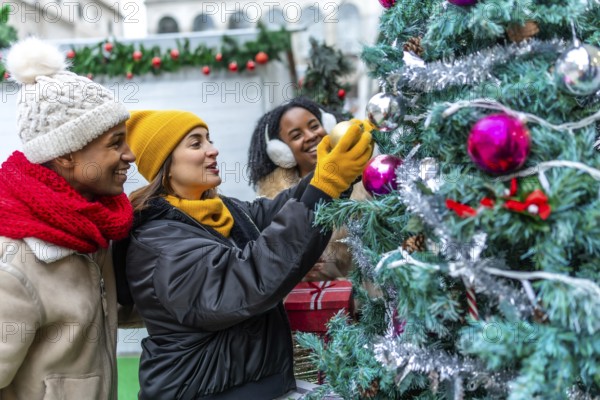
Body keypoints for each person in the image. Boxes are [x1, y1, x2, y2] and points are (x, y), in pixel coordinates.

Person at [120, 109, 372, 399]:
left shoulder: (221, 211)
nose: (213, 150)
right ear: (166, 165)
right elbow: (251, 277)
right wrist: (326, 185)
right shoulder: (159, 244)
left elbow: (277, 213)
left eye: (209, 140)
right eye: (196, 143)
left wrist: (329, 173)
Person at [0, 38, 136, 398]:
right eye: (116, 142)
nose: (131, 154)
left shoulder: (92, 229)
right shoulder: (15, 265)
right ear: (65, 156)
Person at [247, 97, 370, 281]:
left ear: (328, 126)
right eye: (296, 135)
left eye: (314, 126)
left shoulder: (365, 179)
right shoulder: (272, 200)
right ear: (281, 152)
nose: (311, 136)